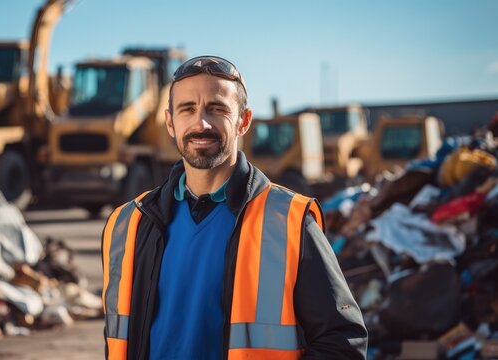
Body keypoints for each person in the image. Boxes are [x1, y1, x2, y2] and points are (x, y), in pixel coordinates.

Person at [102, 55, 367, 359]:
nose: (201, 123)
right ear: (170, 123)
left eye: (217, 109)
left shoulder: (289, 220)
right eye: (187, 109)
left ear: (243, 121)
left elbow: (343, 343)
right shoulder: (128, 224)